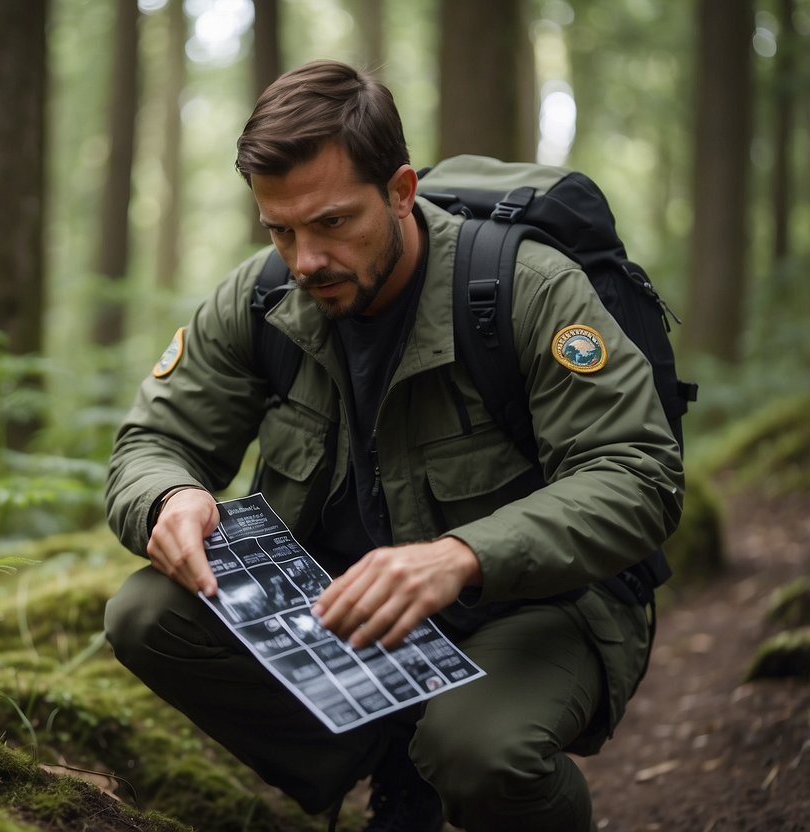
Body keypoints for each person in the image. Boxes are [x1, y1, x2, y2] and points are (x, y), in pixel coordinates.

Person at [103, 59, 683, 832]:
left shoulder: (522, 290)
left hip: (534, 604)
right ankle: (393, 763)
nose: (305, 259)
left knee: (478, 751)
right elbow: (153, 438)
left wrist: (460, 556)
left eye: (332, 222)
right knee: (146, 613)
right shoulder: (262, 298)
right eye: (280, 228)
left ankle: (451, 760)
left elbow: (637, 476)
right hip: (351, 606)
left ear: (400, 192)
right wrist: (167, 497)